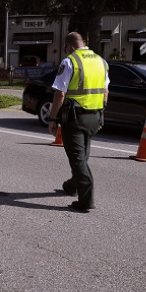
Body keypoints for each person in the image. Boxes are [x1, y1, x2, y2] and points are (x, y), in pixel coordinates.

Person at [48, 32, 109, 213]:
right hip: (95, 116)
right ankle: (72, 186)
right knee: (82, 156)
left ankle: (86, 201)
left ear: (69, 46)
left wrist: (52, 119)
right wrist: (101, 111)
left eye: (66, 49)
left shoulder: (70, 62)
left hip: (75, 118)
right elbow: (106, 91)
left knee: (77, 159)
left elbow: (60, 93)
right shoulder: (101, 61)